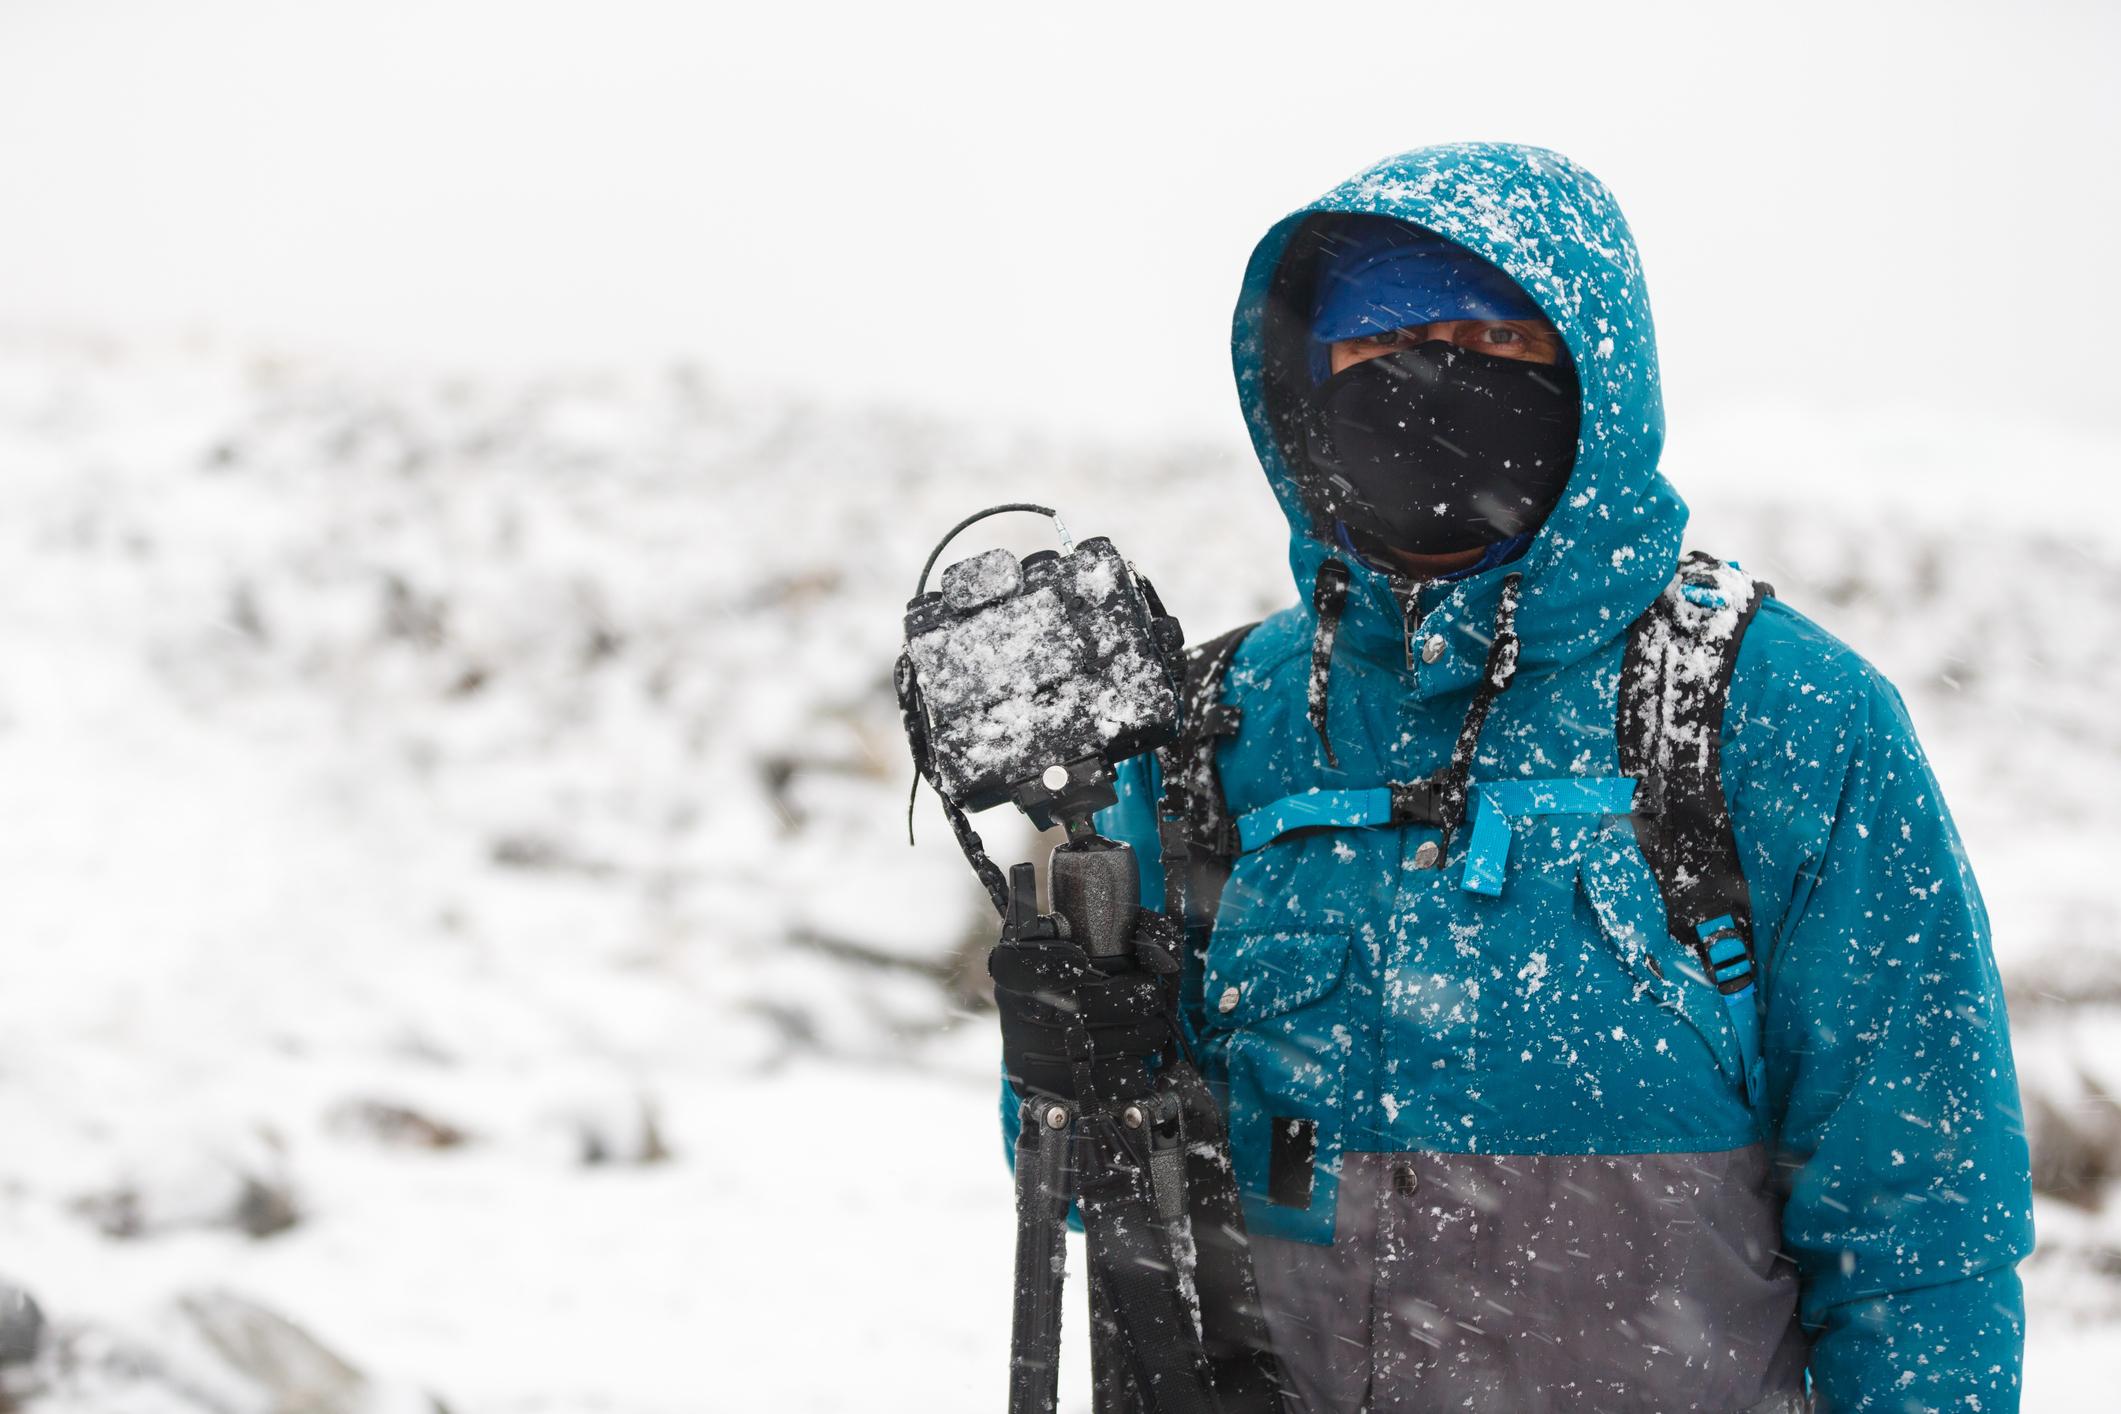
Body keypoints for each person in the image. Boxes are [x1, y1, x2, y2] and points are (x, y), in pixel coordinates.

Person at [999, 142, 2033, 1412]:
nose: (1425, 385)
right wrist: (1066, 1078)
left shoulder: (1781, 720)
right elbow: (1117, 1198)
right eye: (1377, 352)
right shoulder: (1219, 732)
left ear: (1594, 374)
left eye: (1484, 342)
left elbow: (1921, 1235)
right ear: (1302, 397)